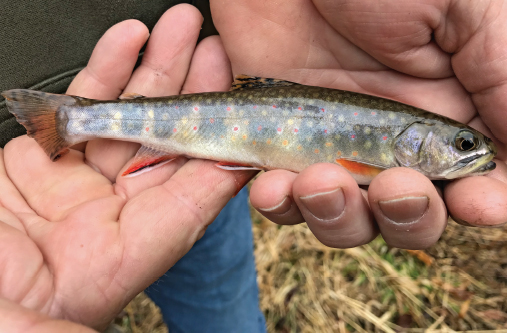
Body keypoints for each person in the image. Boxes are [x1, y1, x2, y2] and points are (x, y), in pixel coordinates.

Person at [1, 0, 506, 332]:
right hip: (85, 190)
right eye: (462, 144)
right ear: (416, 139)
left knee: (216, 291)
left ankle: (74, 121)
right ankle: (72, 122)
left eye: (464, 145)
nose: (472, 151)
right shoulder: (374, 159)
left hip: (173, 180)